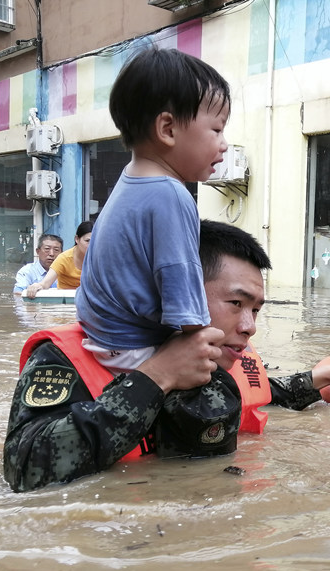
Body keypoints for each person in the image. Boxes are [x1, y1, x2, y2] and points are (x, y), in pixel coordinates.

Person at [3, 220, 330, 492]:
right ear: (176, 291)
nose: (250, 326)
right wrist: (156, 377)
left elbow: (264, 393)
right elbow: (24, 468)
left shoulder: (224, 354)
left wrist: (322, 377)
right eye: (236, 303)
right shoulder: (68, 357)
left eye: (257, 310)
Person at [75, 47, 231, 373]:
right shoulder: (171, 194)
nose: (224, 143)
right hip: (134, 349)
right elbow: (184, 298)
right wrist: (217, 345)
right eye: (217, 129)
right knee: (220, 376)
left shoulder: (130, 181)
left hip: (103, 337)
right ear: (168, 130)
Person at [25, 221, 92, 298]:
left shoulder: (101, 259)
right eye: (87, 241)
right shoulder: (64, 258)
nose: (91, 245)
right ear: (77, 239)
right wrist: (37, 286)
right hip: (65, 302)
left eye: (95, 240)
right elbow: (45, 283)